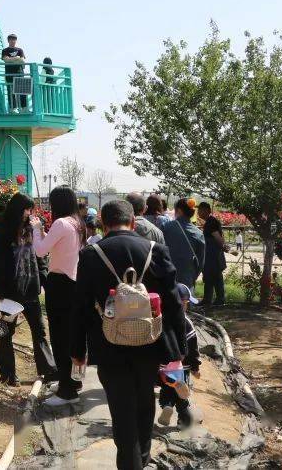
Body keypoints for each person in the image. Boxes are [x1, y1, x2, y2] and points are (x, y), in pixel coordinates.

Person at [70, 200, 187, 470]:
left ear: (102, 222)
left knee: (121, 409)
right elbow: (172, 304)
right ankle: (141, 459)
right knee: (145, 401)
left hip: (108, 343)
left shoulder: (91, 254)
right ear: (134, 222)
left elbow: (80, 307)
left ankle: (130, 463)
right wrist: (178, 350)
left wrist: (77, 350)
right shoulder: (156, 250)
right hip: (149, 342)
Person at [0, 193, 57, 386]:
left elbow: (40, 256)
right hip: (10, 292)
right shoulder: (3, 230)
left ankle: (49, 371)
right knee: (5, 332)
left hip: (30, 289)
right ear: (17, 209)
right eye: (26, 209)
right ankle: (8, 374)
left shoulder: (31, 228)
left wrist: (44, 279)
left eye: (31, 209)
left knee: (39, 330)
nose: (29, 213)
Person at [31, 186, 86, 406]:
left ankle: (66, 391)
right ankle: (73, 381)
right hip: (73, 283)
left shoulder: (61, 223)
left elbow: (40, 251)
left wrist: (36, 229)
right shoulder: (76, 223)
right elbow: (56, 246)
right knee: (71, 336)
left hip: (60, 284)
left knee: (60, 337)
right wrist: (44, 234)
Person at [158, 283, 202, 429]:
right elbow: (193, 347)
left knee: (167, 389)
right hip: (183, 367)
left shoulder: (161, 319)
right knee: (182, 392)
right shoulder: (186, 322)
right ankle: (184, 416)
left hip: (164, 367)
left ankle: (167, 405)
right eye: (187, 303)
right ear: (183, 304)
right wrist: (195, 367)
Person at [162, 198, 205, 288]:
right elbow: (201, 261)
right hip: (187, 280)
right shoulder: (198, 233)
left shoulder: (166, 227)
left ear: (179, 211)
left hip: (167, 277)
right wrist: (193, 277)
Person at [197, 202, 227, 306]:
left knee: (213, 277)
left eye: (200, 210)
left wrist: (223, 247)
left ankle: (216, 300)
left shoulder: (211, 222)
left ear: (206, 210)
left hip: (213, 256)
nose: (198, 212)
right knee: (212, 277)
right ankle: (212, 299)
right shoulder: (210, 221)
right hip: (213, 255)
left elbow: (218, 237)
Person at [1, 34, 27, 113]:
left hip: (19, 73)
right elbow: (6, 60)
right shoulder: (5, 50)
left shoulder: (20, 50)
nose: (13, 41)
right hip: (9, 74)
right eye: (11, 39)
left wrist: (11, 59)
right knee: (11, 92)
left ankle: (24, 108)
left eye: (14, 39)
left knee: (22, 92)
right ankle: (13, 108)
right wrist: (17, 58)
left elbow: (23, 61)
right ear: (8, 41)